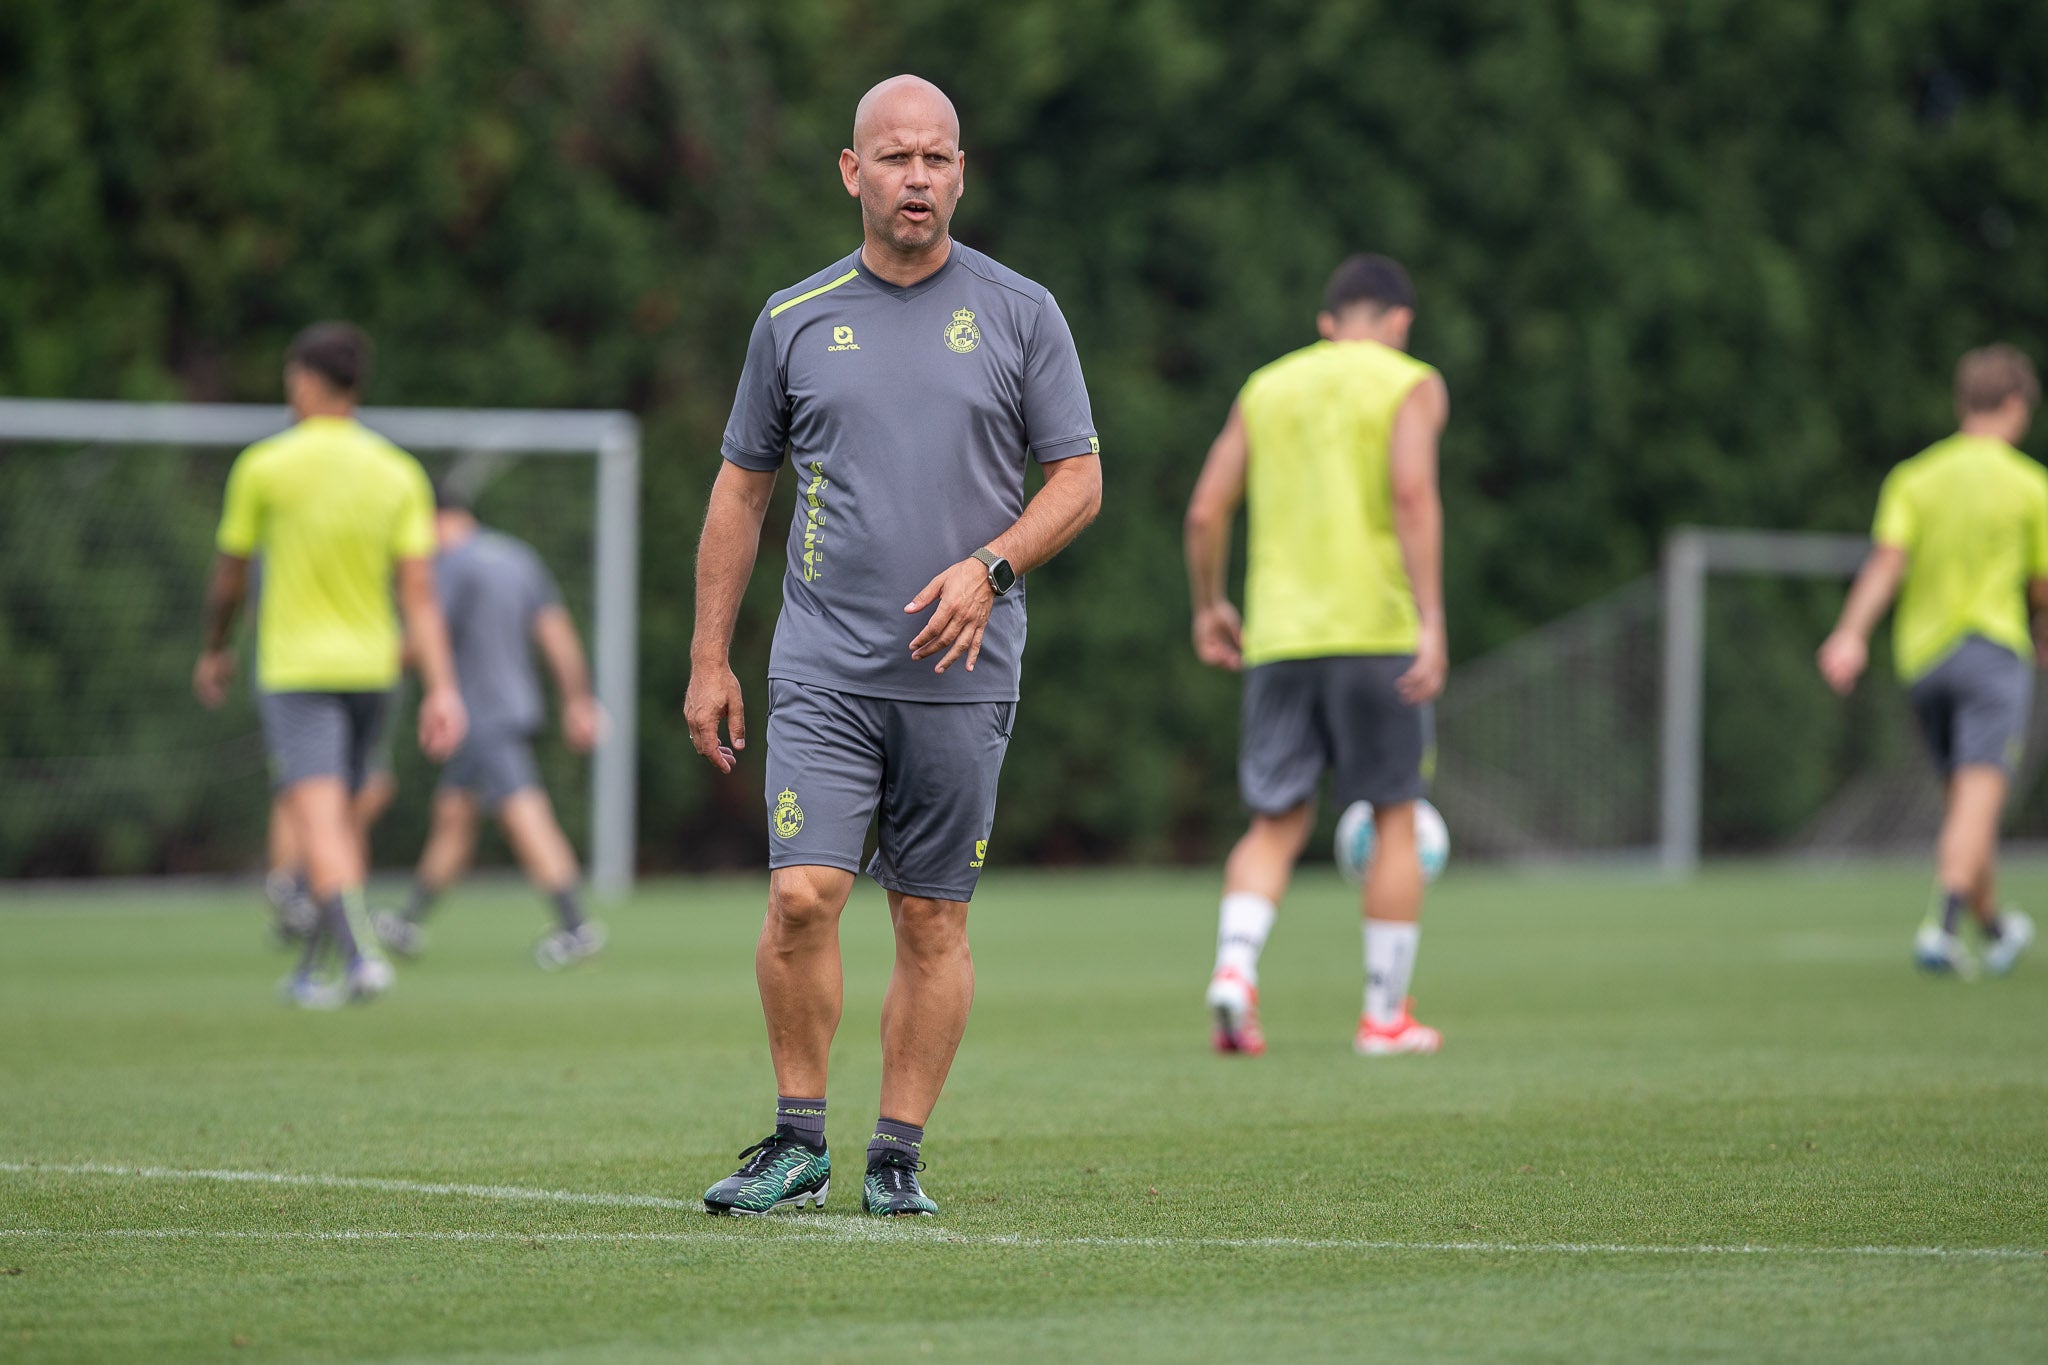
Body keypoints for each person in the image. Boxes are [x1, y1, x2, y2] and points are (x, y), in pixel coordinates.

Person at [685, 75, 1102, 1217]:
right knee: (804, 896)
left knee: (930, 916)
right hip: (822, 666)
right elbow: (739, 492)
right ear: (850, 172)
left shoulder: (1022, 312)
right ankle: (797, 1139)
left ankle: (896, 1157)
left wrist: (990, 568)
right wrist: (709, 658)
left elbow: (1079, 479)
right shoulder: (792, 317)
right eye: (894, 158)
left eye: (935, 159)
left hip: (962, 675)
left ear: (960, 173)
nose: (916, 177)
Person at [1183, 254, 1449, 1058]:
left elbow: (1204, 510)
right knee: (1396, 815)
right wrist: (1431, 616)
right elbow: (1411, 492)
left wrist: (1209, 604)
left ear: (1328, 323)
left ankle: (1234, 972)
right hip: (1374, 631)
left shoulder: (1269, 386)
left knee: (1276, 820)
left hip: (1282, 636)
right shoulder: (1409, 381)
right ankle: (1384, 1016)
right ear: (1399, 322)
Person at [195, 322, 466, 1007]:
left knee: (317, 820)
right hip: (375, 671)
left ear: (306, 382)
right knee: (339, 822)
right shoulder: (397, 471)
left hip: (297, 671)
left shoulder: (264, 465)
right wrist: (441, 687)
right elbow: (421, 599)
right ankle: (313, 968)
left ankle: (358, 957)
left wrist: (216, 647)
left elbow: (228, 580)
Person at [1818, 344, 2043, 978]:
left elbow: (1887, 564)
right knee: (1979, 795)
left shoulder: (1915, 478)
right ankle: (1942, 926)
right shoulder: (2029, 484)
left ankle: (1995, 928)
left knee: (1966, 803)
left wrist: (1849, 634)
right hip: (1993, 652)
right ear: (2016, 405)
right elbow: (2043, 584)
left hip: (1925, 660)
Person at [373, 487, 606, 969]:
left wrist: (368, 664)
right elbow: (557, 635)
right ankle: (410, 920)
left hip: (481, 714)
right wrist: (578, 701)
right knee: (454, 816)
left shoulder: (451, 565)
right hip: (513, 707)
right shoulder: (517, 557)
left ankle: (576, 926)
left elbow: (421, 638)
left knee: (525, 814)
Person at [248, 556, 402, 945]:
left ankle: (318, 893)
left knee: (363, 789)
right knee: (302, 790)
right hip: (301, 675)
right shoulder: (276, 539)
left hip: (361, 674)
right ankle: (295, 894)